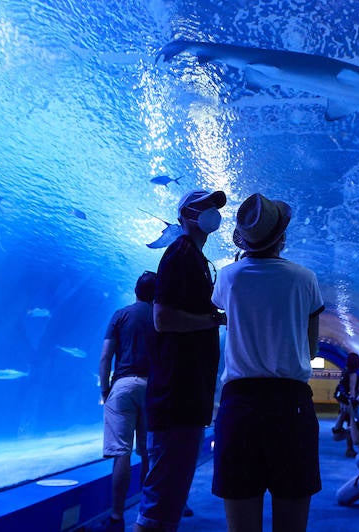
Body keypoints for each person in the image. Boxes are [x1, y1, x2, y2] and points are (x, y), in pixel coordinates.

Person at [210, 193, 324, 532]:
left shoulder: (228, 277)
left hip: (239, 406)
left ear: (244, 239)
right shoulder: (305, 278)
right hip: (291, 406)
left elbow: (227, 318)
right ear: (282, 237)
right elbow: (312, 346)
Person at [135, 189, 229, 532]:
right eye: (204, 207)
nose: (211, 212)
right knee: (161, 499)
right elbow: (163, 318)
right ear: (186, 214)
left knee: (171, 495)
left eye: (214, 207)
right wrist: (212, 321)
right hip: (176, 394)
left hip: (188, 395)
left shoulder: (196, 258)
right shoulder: (178, 253)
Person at [100, 271, 159, 532]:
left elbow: (105, 357)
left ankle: (116, 516)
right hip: (152, 387)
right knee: (148, 452)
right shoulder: (160, 317)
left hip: (122, 385)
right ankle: (146, 514)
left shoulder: (120, 315)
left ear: (135, 290)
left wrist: (105, 390)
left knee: (121, 453)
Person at [330, 352, 359, 456]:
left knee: (347, 425)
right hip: (349, 403)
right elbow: (352, 389)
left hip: (343, 402)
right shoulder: (353, 373)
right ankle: (352, 449)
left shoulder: (345, 371)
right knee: (352, 425)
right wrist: (355, 403)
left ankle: (349, 448)